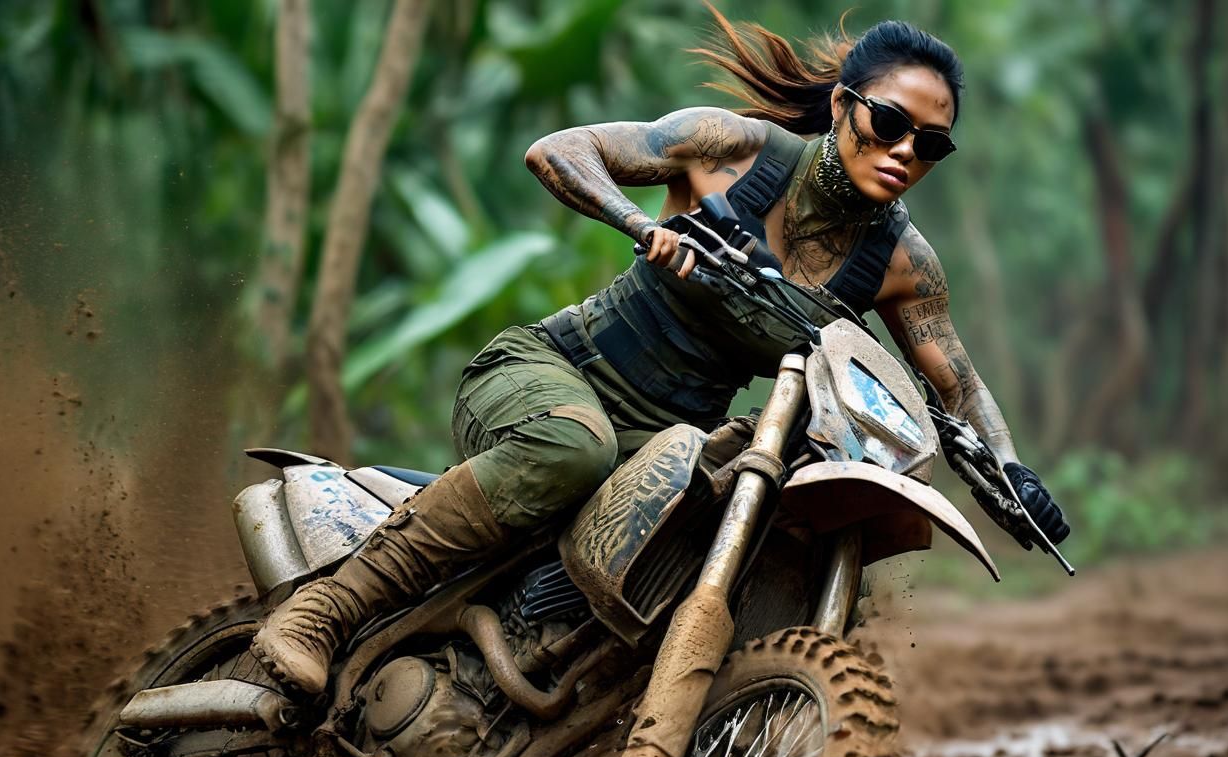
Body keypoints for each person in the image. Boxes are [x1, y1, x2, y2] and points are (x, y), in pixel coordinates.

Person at [251, 8, 1070, 696]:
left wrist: (1013, 474)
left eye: (931, 145)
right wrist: (643, 227)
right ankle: (325, 610)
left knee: (746, 523)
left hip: (665, 444)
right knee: (574, 445)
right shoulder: (731, 148)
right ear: (842, 106)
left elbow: (956, 384)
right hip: (550, 378)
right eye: (889, 122)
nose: (904, 151)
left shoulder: (900, 264)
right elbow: (560, 151)